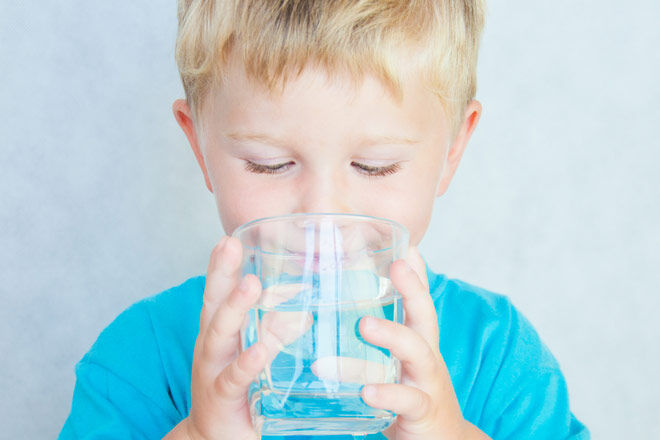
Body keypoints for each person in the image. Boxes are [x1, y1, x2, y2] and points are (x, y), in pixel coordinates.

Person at [58, 1, 589, 439]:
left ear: (451, 151)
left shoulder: (496, 358)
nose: (322, 219)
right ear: (200, 147)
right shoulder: (138, 361)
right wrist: (196, 435)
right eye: (269, 164)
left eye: (374, 166)